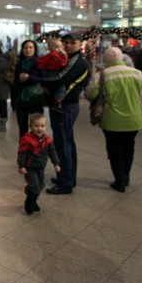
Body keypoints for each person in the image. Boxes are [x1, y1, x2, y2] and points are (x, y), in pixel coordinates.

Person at [85, 47, 142, 192]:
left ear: (106, 59)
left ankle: (119, 181)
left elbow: (90, 94)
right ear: (122, 58)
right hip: (134, 121)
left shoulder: (102, 75)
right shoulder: (137, 74)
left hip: (111, 121)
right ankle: (125, 177)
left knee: (115, 151)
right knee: (129, 148)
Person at [43, 31, 90, 195]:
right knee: (66, 143)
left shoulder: (77, 61)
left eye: (72, 43)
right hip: (65, 106)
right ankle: (67, 176)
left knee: (63, 145)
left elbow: (59, 79)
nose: (68, 45)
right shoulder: (70, 58)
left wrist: (37, 80)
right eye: (66, 42)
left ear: (80, 44)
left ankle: (66, 183)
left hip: (66, 106)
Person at [17, 113, 60, 214]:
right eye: (36, 126)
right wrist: (22, 166)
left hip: (41, 167)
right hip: (30, 168)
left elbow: (52, 152)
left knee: (40, 186)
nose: (39, 128)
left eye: (42, 126)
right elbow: (22, 153)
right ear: (30, 126)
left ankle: (33, 200)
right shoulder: (27, 139)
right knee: (35, 187)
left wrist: (56, 163)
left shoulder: (47, 139)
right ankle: (29, 203)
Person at [14, 40, 45, 139]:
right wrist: (20, 80)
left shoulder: (39, 63)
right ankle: (24, 147)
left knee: (36, 125)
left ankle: (36, 147)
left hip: (35, 97)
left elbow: (43, 79)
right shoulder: (19, 64)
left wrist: (29, 77)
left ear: (35, 49)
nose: (28, 50)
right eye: (26, 48)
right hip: (21, 98)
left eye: (31, 47)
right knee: (22, 126)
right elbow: (15, 82)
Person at [36, 37, 68, 112]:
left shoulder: (50, 55)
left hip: (48, 73)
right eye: (57, 47)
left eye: (61, 47)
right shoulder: (55, 55)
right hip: (54, 73)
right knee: (61, 87)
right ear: (49, 48)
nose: (59, 49)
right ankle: (57, 102)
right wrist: (65, 56)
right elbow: (62, 64)